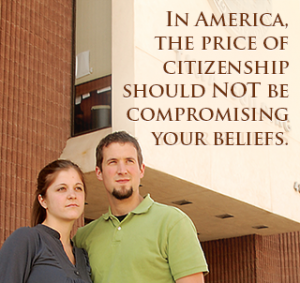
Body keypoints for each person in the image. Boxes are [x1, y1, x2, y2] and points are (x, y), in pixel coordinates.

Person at [74, 131, 209, 283]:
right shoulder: (84, 237)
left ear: (141, 170)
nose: (122, 170)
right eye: (112, 162)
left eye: (129, 161)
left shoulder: (173, 223)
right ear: (99, 172)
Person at [0, 159, 92, 283]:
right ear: (43, 200)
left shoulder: (82, 256)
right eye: (61, 189)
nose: (72, 195)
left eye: (78, 188)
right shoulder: (26, 240)